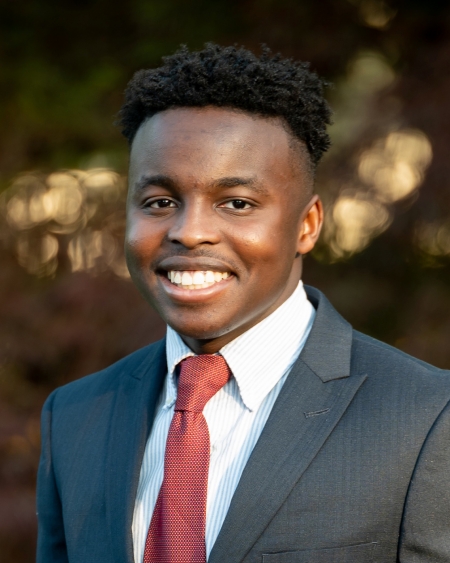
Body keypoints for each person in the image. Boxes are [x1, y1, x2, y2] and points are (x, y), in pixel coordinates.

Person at [36, 44, 450, 563]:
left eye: (237, 203)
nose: (189, 232)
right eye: (160, 202)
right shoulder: (75, 416)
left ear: (307, 224)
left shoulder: (428, 417)